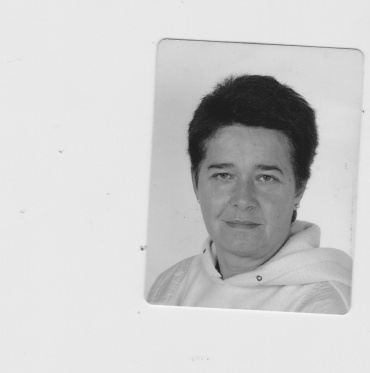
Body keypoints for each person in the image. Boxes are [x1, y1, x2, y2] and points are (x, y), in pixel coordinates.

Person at [147, 74, 352, 314]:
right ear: (196, 183)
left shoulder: (325, 307)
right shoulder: (170, 286)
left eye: (265, 178)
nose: (243, 200)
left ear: (299, 189)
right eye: (224, 175)